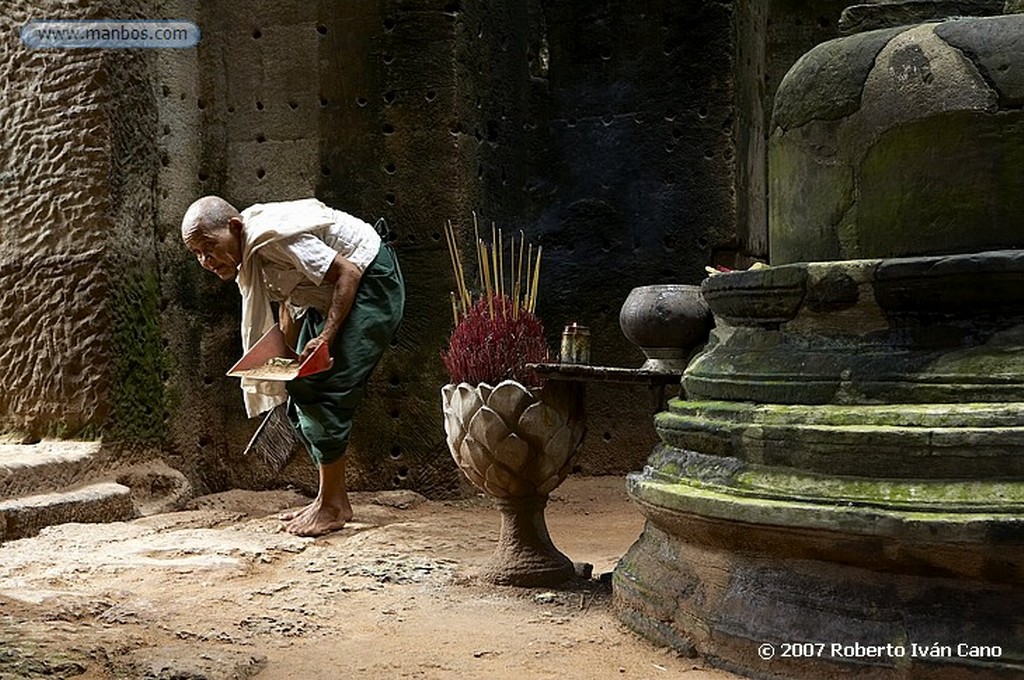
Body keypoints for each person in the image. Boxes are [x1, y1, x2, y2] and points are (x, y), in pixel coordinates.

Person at [180, 196, 405, 536]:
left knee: (318, 386)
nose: (205, 261)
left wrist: (326, 337)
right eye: (197, 253)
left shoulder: (272, 238)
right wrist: (284, 350)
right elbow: (291, 295)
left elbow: (348, 271)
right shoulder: (251, 253)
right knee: (296, 382)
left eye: (209, 247)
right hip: (328, 295)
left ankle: (331, 506)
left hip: (370, 281)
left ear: (236, 227)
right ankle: (331, 499)